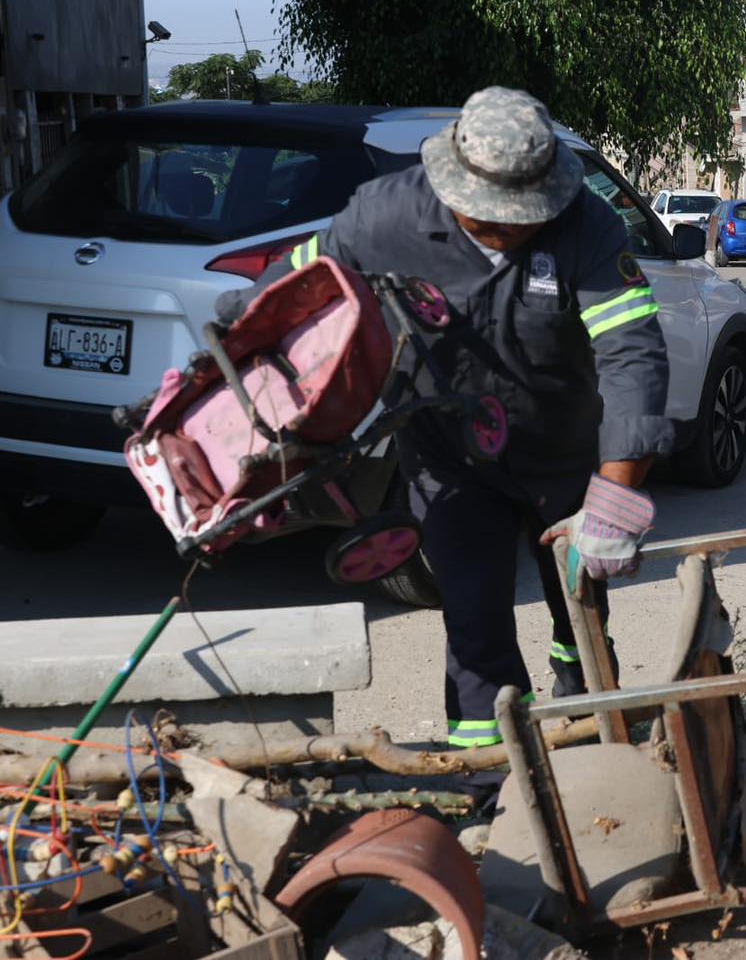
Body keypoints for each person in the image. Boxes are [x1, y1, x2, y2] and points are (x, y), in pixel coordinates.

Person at [217, 87, 672, 750]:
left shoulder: (588, 226)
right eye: (492, 216)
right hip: (449, 457)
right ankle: (492, 772)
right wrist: (232, 340)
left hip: (563, 453)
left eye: (523, 216)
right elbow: (294, 283)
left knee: (580, 607)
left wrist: (616, 498)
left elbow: (633, 353)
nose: (509, 227)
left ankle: (588, 727)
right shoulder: (385, 216)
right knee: (473, 621)